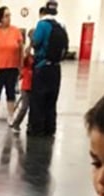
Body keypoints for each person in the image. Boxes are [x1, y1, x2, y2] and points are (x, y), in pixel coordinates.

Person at [28, 3, 68, 137]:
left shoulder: (42, 24)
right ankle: (50, 128)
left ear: (43, 12)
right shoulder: (61, 25)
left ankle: (37, 128)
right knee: (51, 100)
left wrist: (31, 37)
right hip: (56, 68)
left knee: (38, 99)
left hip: (42, 66)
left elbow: (36, 42)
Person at [0, 6, 23, 127]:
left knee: (11, 93)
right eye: (6, 16)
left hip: (12, 67)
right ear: (0, 18)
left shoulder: (16, 31)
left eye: (9, 15)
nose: (9, 18)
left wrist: (21, 67)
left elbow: (21, 50)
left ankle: (11, 116)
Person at [11, 49, 33, 132]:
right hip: (26, 88)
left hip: (33, 88)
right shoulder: (25, 68)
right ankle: (16, 123)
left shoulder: (33, 67)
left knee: (32, 108)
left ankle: (30, 125)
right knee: (24, 107)